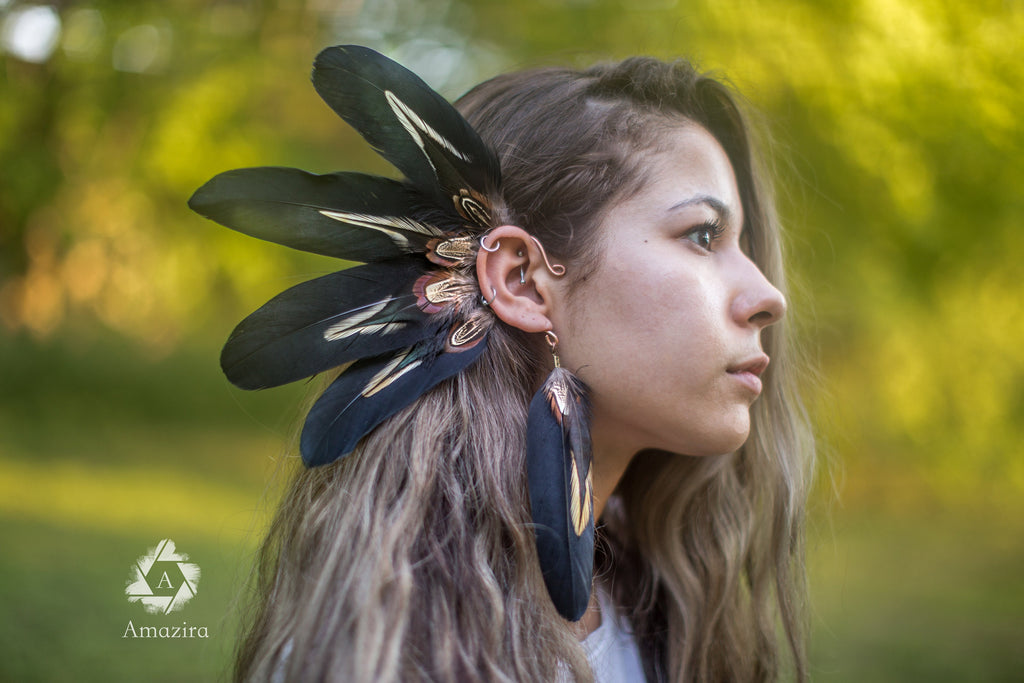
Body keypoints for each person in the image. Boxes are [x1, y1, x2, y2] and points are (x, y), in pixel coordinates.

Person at [191, 45, 813, 683]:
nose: (769, 297)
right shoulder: (387, 660)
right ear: (520, 280)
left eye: (743, 245)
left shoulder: (664, 609)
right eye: (703, 235)